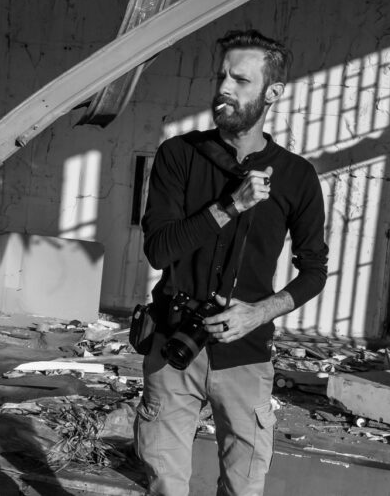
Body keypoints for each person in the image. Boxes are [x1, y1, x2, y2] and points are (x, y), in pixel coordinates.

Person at [134, 29, 328, 496]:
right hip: (172, 346)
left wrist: (258, 313)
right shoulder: (179, 155)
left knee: (243, 488)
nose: (224, 88)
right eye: (221, 76)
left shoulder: (297, 176)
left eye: (240, 80)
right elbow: (159, 249)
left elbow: (314, 271)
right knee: (164, 485)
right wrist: (230, 207)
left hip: (246, 355)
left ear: (272, 93)